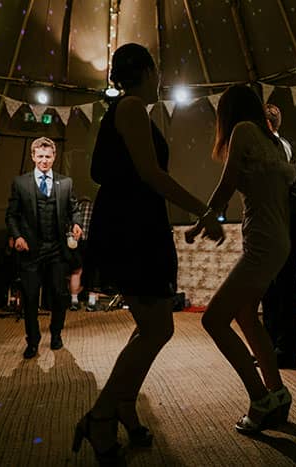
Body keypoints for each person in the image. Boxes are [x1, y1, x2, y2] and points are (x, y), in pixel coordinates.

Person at [73, 43, 223, 464]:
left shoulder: (128, 110)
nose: (160, 80)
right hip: (132, 228)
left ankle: (123, 407)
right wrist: (204, 210)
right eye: (157, 71)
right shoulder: (132, 107)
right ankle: (101, 416)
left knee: (151, 325)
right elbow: (152, 174)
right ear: (145, 71)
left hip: (135, 224)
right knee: (158, 328)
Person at [185, 85, 296, 435]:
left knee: (214, 320)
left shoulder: (243, 131)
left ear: (229, 113)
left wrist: (201, 222)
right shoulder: (273, 141)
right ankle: (278, 392)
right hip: (278, 241)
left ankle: (260, 399)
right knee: (246, 315)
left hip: (263, 243)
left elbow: (227, 184)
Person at [5, 136, 83, 359]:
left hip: (57, 249)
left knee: (59, 294)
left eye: (48, 156)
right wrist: (18, 236)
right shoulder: (20, 183)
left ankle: (56, 334)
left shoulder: (65, 183)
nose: (44, 160)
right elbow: (11, 215)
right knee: (30, 297)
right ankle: (32, 341)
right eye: (40, 156)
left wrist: (76, 223)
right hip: (31, 250)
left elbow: (74, 209)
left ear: (54, 157)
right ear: (33, 156)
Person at [260, 103, 296, 369]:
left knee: (282, 286)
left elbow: (288, 184)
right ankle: (273, 348)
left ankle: (284, 351)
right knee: (274, 286)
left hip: (283, 219)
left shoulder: (277, 146)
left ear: (267, 124)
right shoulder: (278, 146)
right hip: (283, 218)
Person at [69, 196, 93, 311]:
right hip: (90, 243)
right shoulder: (93, 207)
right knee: (92, 272)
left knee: (76, 271)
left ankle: (74, 301)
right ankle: (92, 304)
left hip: (76, 243)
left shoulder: (75, 209)